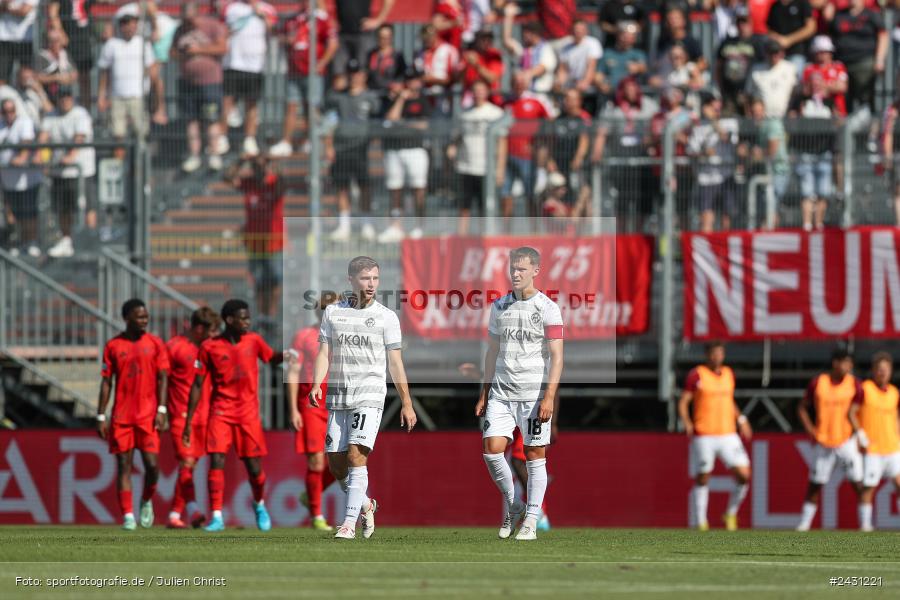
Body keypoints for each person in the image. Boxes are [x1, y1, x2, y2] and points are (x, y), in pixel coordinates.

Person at [309, 256, 417, 539]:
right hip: (338, 396)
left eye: (375, 279)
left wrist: (406, 402)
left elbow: (395, 363)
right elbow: (323, 352)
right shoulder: (333, 313)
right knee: (336, 464)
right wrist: (316, 383)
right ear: (351, 280)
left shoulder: (387, 317)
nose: (371, 284)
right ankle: (366, 505)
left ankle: (348, 523)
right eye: (366, 279)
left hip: (370, 394)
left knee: (357, 455)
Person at [476, 247, 563, 541]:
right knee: (491, 449)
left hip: (533, 395)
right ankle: (515, 505)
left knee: (533, 456)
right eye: (513, 269)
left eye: (522, 269)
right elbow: (492, 352)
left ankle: (531, 520)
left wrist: (549, 397)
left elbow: (557, 357)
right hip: (501, 392)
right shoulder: (499, 306)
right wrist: (484, 391)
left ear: (536, 271)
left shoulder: (548, 308)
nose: (516, 274)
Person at [183, 298, 287, 532]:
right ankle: (217, 517)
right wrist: (188, 420)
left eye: (248, 317)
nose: (247, 321)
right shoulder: (210, 347)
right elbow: (197, 385)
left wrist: (286, 354)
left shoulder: (254, 341)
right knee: (216, 460)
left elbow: (270, 358)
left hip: (248, 413)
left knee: (254, 468)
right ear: (229, 320)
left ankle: (259, 504)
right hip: (220, 411)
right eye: (243, 318)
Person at [97, 298, 170, 531]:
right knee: (123, 465)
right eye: (140, 317)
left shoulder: (156, 344)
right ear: (127, 318)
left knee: (152, 466)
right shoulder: (113, 346)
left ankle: (146, 500)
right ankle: (128, 516)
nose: (144, 320)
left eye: (146, 316)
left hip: (148, 415)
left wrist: (162, 409)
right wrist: (101, 415)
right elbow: (106, 382)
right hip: (122, 417)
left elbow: (163, 378)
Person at [678, 341, 752, 531]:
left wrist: (741, 419)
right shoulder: (697, 375)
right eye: (713, 353)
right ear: (707, 355)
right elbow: (684, 401)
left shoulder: (728, 374)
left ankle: (730, 513)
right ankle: (701, 522)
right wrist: (686, 421)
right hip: (704, 434)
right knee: (703, 475)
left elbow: (729, 401)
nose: (716, 357)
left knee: (744, 474)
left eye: (719, 353)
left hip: (728, 433)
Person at [796, 347, 865, 531]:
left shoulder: (855, 385)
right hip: (824, 442)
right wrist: (810, 429)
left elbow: (860, 411)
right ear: (835, 363)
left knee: (859, 484)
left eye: (850, 363)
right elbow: (802, 408)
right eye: (845, 362)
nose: (849, 366)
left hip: (846, 442)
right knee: (815, 485)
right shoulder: (819, 383)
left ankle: (866, 526)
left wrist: (860, 435)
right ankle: (803, 526)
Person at [164, 307, 221, 529]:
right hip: (181, 415)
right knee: (187, 462)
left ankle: (174, 515)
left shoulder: (210, 349)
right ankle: (192, 509)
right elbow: (161, 380)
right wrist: (160, 410)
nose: (215, 336)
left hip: (205, 416)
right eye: (212, 331)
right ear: (199, 329)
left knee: (190, 466)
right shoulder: (174, 347)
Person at [287, 295, 337, 531]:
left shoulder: (346, 337)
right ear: (317, 312)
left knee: (342, 461)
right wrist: (293, 409)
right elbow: (294, 371)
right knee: (316, 459)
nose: (328, 312)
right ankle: (316, 515)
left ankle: (311, 496)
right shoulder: (304, 336)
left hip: (338, 401)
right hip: (312, 403)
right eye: (324, 308)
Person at [270, 0, 338, 158]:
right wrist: (286, 40)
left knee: (312, 107)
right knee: (291, 105)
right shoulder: (294, 20)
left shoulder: (321, 19)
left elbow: (333, 43)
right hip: (294, 71)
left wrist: (321, 63)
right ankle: (286, 141)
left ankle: (312, 140)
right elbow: (280, 36)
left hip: (313, 73)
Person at [325, 60, 381, 242]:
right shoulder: (337, 97)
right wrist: (329, 146)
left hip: (361, 148)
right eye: (350, 73)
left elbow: (379, 117)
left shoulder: (371, 97)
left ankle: (366, 223)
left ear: (363, 75)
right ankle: (344, 225)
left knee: (364, 185)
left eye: (357, 73)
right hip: (341, 147)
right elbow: (329, 122)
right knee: (342, 186)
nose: (354, 77)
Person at [97, 13, 166, 159]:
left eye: (134, 24)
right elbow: (104, 73)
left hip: (137, 97)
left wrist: (156, 98)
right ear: (121, 26)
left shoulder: (143, 44)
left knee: (141, 134)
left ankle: (142, 166)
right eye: (127, 24)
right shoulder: (111, 45)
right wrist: (102, 96)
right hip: (117, 97)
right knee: (118, 135)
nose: (131, 28)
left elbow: (152, 69)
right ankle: (119, 165)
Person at [170, 3, 228, 172]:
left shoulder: (211, 26)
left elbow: (222, 47)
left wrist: (199, 49)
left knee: (211, 118)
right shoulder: (180, 30)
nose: (188, 23)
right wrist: (183, 52)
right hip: (187, 82)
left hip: (210, 82)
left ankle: (214, 154)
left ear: (197, 14)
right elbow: (172, 53)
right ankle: (194, 155)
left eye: (190, 19)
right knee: (191, 120)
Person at [38, 87, 95, 258]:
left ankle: (90, 240)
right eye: (62, 97)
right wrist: (41, 158)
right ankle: (67, 241)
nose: (65, 100)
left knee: (86, 206)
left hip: (81, 171)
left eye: (68, 97)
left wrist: (70, 156)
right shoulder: (51, 115)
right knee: (63, 209)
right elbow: (42, 138)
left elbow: (79, 138)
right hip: (59, 172)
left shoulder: (80, 114)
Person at [226, 155, 284, 321]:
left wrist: (272, 163)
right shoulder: (249, 184)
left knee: (274, 281)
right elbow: (228, 178)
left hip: (273, 243)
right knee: (259, 281)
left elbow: (282, 184)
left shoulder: (274, 183)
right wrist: (240, 160)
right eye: (255, 167)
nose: (258, 170)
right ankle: (262, 315)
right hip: (253, 243)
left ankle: (271, 315)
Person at [378, 68, 432, 243]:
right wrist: (401, 99)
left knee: (418, 189)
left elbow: (424, 125)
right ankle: (395, 226)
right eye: (408, 79)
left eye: (415, 79)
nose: (412, 83)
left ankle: (419, 226)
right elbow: (391, 119)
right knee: (395, 189)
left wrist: (404, 124)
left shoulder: (423, 101)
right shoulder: (393, 100)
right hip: (394, 149)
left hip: (415, 149)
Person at [849, 353, 900, 532]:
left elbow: (896, 419)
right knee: (869, 488)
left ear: (891, 372)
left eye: (886, 370)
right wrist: (860, 434)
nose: (882, 373)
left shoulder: (894, 392)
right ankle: (865, 526)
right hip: (873, 449)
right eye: (879, 370)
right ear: (873, 371)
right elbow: (851, 413)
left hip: (893, 447)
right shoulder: (865, 389)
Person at [450, 79, 505, 235]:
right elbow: (457, 137)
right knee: (464, 206)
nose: (478, 93)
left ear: (487, 92)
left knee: (484, 207)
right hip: (465, 166)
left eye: (482, 90)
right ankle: (462, 237)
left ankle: (484, 236)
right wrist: (452, 149)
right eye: (475, 90)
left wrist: (500, 169)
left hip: (486, 168)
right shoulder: (464, 114)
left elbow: (502, 143)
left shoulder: (495, 113)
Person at [221, 0, 276, 157]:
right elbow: (225, 29)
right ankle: (222, 138)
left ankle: (249, 139)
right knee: (227, 101)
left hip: (255, 65)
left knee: (252, 103)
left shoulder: (267, 9)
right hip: (233, 63)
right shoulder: (231, 8)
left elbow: (272, 30)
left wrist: (260, 14)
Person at [788, 70, 838, 231]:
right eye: (813, 83)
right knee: (807, 191)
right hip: (806, 152)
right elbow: (791, 123)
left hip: (824, 152)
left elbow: (838, 123)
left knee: (823, 191)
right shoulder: (800, 101)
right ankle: (807, 224)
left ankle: (819, 223)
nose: (816, 86)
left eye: (819, 82)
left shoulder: (829, 103)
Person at [502, 71, 554, 221]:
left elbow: (549, 127)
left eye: (521, 81)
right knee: (505, 193)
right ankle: (506, 232)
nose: (519, 84)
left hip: (527, 157)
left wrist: (541, 149)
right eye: (515, 81)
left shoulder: (536, 103)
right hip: (507, 156)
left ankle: (534, 229)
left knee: (530, 194)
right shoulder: (505, 103)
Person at [688, 93, 739, 232]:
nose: (715, 107)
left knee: (727, 217)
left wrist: (713, 122)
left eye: (717, 103)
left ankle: (725, 249)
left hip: (725, 176)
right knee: (706, 217)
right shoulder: (698, 127)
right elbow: (692, 150)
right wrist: (704, 153)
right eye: (711, 104)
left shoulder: (730, 122)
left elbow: (728, 138)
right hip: (706, 178)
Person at [0, 97, 42, 257]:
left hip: (27, 180)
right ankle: (17, 241)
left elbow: (26, 146)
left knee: (29, 213)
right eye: (5, 111)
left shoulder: (24, 123)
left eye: (11, 110)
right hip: (7, 181)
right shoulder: (1, 126)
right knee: (12, 213)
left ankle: (30, 242)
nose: (9, 114)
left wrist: (21, 158)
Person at [501, 3, 557, 101]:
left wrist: (525, 75)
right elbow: (507, 41)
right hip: (523, 95)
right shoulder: (524, 50)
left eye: (527, 33)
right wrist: (508, 17)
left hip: (540, 96)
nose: (524, 35)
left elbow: (543, 67)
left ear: (535, 33)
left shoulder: (546, 48)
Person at [716, 7, 763, 116]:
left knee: (750, 127)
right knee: (728, 122)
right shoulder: (727, 42)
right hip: (729, 93)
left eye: (745, 22)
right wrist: (721, 89)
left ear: (751, 22)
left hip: (749, 94)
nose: (742, 26)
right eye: (739, 22)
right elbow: (718, 67)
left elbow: (762, 68)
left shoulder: (757, 42)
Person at [48, 0, 95, 107]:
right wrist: (60, 32)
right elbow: (52, 12)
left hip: (84, 39)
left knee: (85, 78)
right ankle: (64, 107)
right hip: (68, 39)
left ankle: (86, 110)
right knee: (66, 76)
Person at [333, 0, 396, 76]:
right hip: (341, 34)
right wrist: (327, 18)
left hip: (363, 34)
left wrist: (379, 20)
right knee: (339, 76)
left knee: (363, 74)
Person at [556, 19, 602, 115]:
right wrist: (559, 83)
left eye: (581, 29)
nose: (578, 31)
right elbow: (563, 70)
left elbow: (591, 67)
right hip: (572, 85)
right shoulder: (565, 47)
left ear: (586, 31)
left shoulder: (592, 43)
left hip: (588, 85)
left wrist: (584, 83)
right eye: (576, 29)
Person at [597, 21, 647, 98]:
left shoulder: (637, 54)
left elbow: (644, 68)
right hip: (611, 93)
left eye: (630, 36)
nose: (626, 38)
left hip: (630, 96)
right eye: (624, 35)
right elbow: (598, 74)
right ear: (618, 36)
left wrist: (638, 68)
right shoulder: (608, 53)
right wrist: (601, 84)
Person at [749, 39, 797, 119]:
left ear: (782, 53)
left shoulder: (790, 68)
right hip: (762, 118)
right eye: (771, 53)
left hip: (785, 117)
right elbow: (749, 94)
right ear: (766, 53)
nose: (774, 56)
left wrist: (793, 109)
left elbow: (796, 92)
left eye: (776, 52)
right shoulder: (756, 69)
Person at [801, 35, 847, 117]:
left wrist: (820, 85)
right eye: (819, 51)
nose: (822, 54)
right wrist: (831, 85)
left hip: (836, 112)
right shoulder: (809, 68)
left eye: (825, 51)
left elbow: (842, 87)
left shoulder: (838, 67)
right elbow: (805, 91)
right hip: (814, 112)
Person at [765, 0, 815, 75]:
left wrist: (789, 40)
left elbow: (811, 28)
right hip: (777, 53)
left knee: (795, 77)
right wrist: (778, 39)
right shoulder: (775, 6)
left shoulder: (802, 3)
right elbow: (769, 30)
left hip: (797, 51)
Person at [459, 29, 504, 106]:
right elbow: (460, 80)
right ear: (477, 40)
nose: (486, 42)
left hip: (491, 99)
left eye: (489, 39)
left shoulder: (494, 55)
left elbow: (492, 79)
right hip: (472, 98)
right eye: (483, 39)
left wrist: (476, 65)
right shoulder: (469, 55)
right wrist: (466, 65)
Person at [36, 28, 78, 106]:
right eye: (52, 41)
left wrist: (68, 78)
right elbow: (38, 77)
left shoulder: (64, 54)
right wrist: (56, 78)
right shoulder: (42, 56)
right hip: (48, 96)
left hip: (66, 94)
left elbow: (75, 74)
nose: (55, 44)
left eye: (57, 40)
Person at [0, 0, 37, 85]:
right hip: (4, 38)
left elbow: (24, 11)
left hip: (25, 40)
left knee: (25, 76)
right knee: (2, 75)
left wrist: (6, 7)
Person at [366, 24, 406, 95]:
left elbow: (402, 76)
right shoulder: (371, 54)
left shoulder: (397, 56)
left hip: (391, 93)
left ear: (392, 37)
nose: (384, 41)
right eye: (381, 37)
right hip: (373, 92)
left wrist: (396, 87)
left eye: (387, 38)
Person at [881, 94, 900, 226]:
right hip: (898, 154)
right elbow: (888, 133)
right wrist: (887, 156)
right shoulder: (893, 110)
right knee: (898, 190)